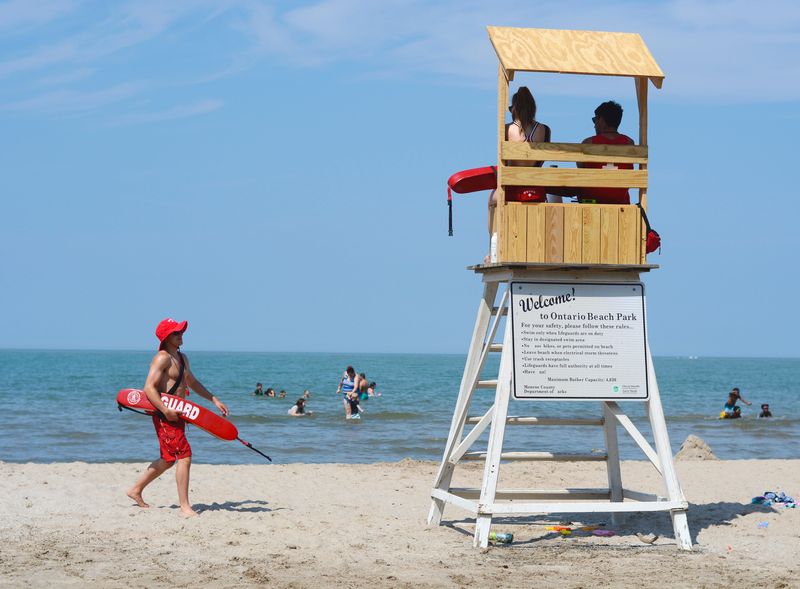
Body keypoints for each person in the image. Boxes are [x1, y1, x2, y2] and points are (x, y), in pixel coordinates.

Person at [126, 318, 228, 517]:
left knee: (168, 459)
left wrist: (213, 399)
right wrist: (165, 410)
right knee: (184, 455)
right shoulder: (161, 358)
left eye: (181, 331)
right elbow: (149, 388)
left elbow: (193, 382)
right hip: (165, 415)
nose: (181, 335)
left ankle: (135, 490)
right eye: (176, 332)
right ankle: (185, 507)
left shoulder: (182, 358)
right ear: (166, 337)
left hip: (179, 413)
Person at [576, 101, 635, 204]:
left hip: (591, 203)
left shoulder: (588, 143)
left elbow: (580, 168)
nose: (594, 125)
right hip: (621, 203)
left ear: (601, 120)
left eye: (595, 120)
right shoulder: (629, 143)